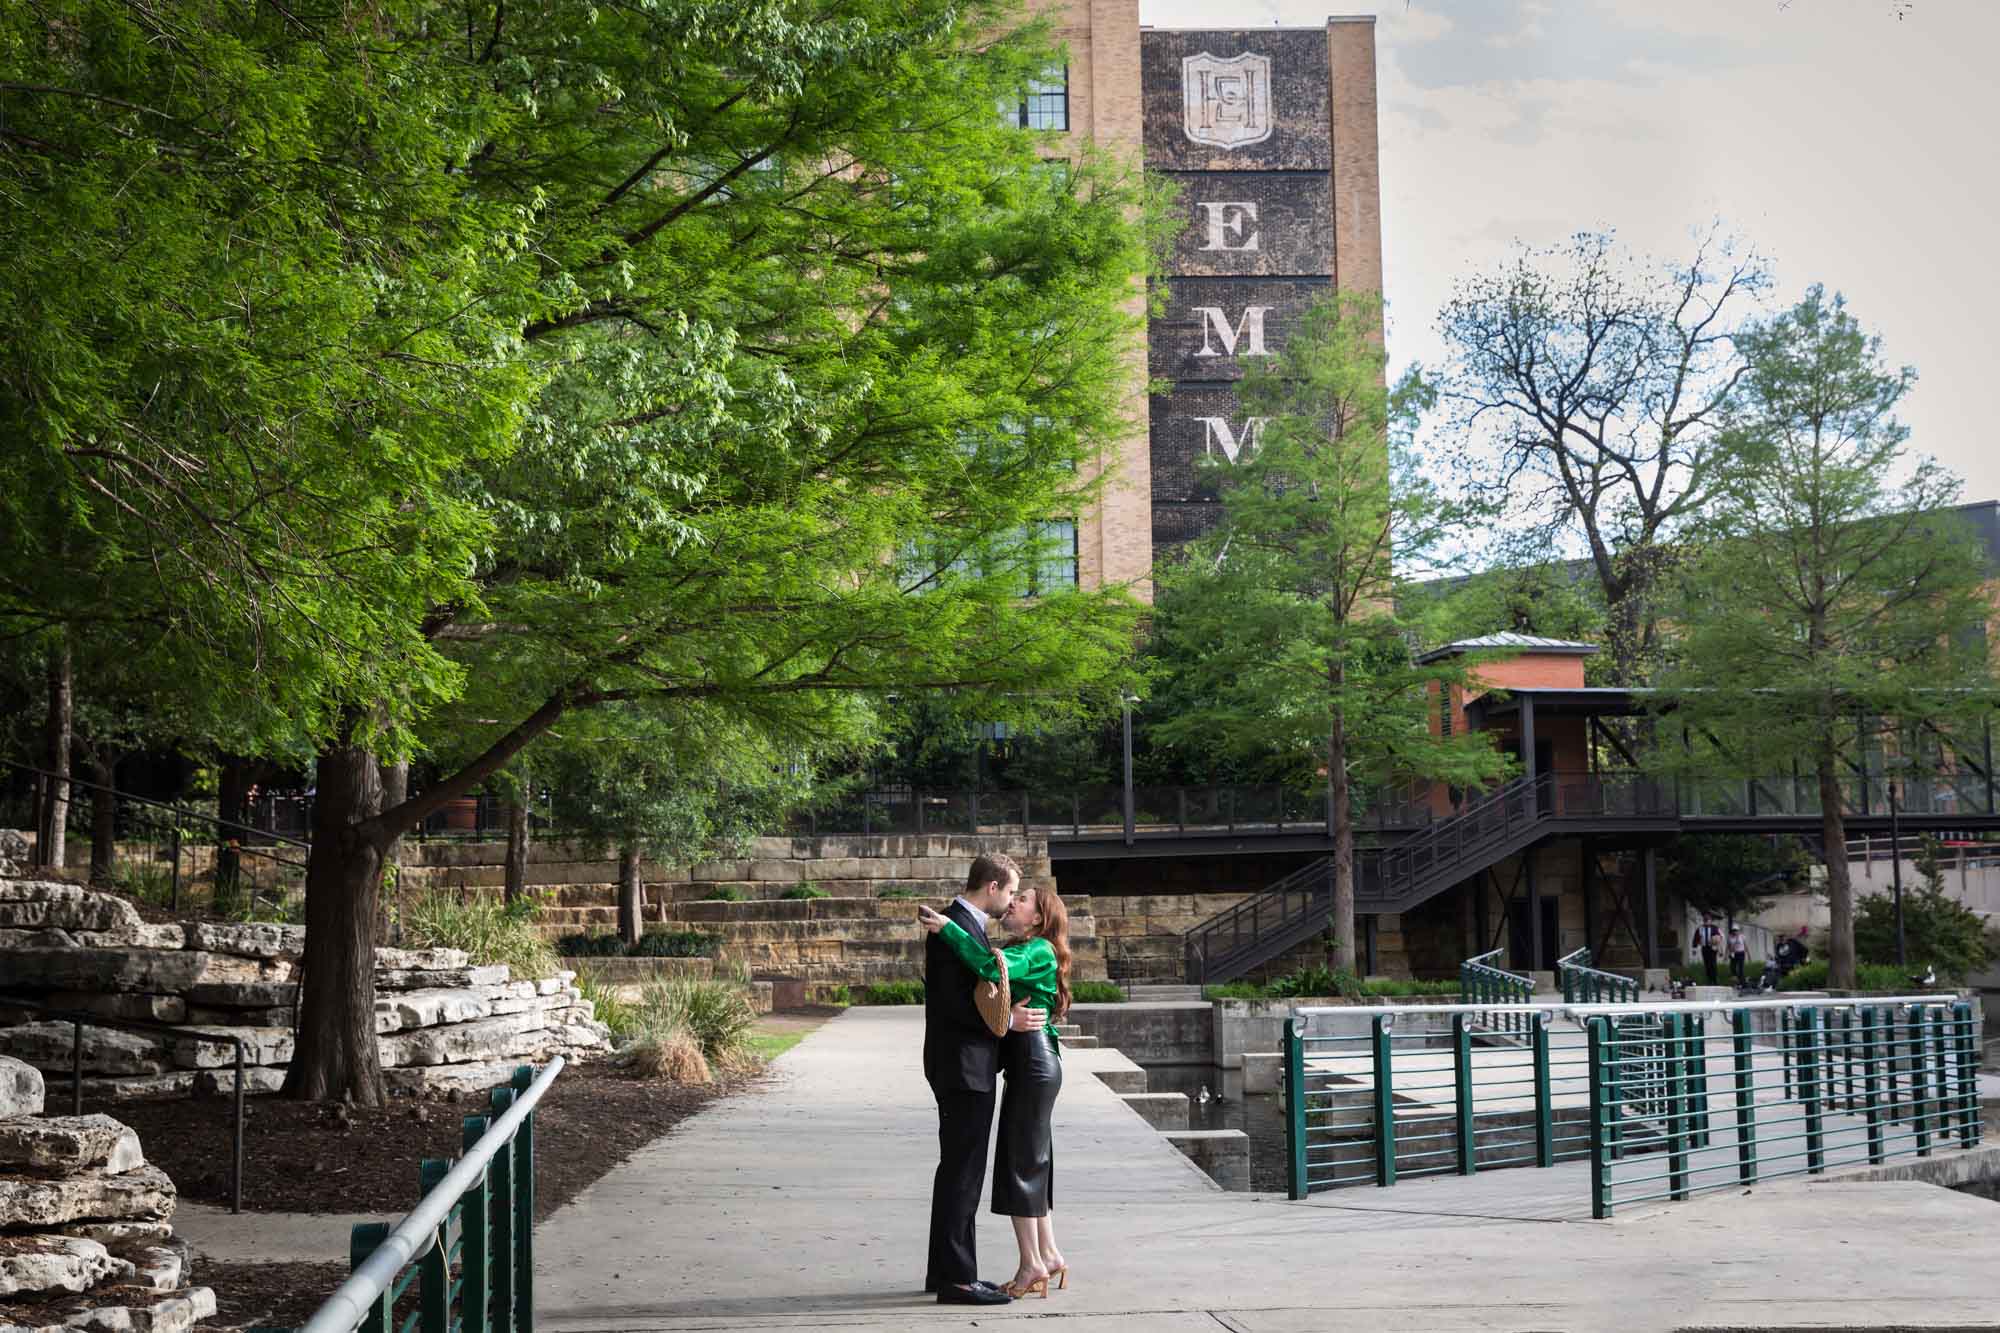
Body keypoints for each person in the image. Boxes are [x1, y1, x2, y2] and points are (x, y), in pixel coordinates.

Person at [920, 881, 1072, 1299]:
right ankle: (1050, 1255)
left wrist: (948, 929)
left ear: (1039, 917)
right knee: (1032, 1162)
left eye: (1022, 899)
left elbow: (990, 968)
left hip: (1033, 1063)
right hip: (1032, 1062)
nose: (1014, 902)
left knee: (1019, 1164)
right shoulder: (1032, 947)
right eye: (1015, 894)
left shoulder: (1036, 949)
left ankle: (1031, 1266)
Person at [1696, 919, 1721, 985]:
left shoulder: (1714, 928)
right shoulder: (1700, 928)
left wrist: (1716, 943)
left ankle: (1715, 980)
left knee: (1713, 964)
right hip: (1704, 948)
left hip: (1712, 947)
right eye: (1705, 921)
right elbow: (1696, 938)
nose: (1706, 922)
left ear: (1710, 921)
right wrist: (1694, 947)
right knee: (1707, 964)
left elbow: (1719, 937)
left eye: (1707, 920)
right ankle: (1709, 980)